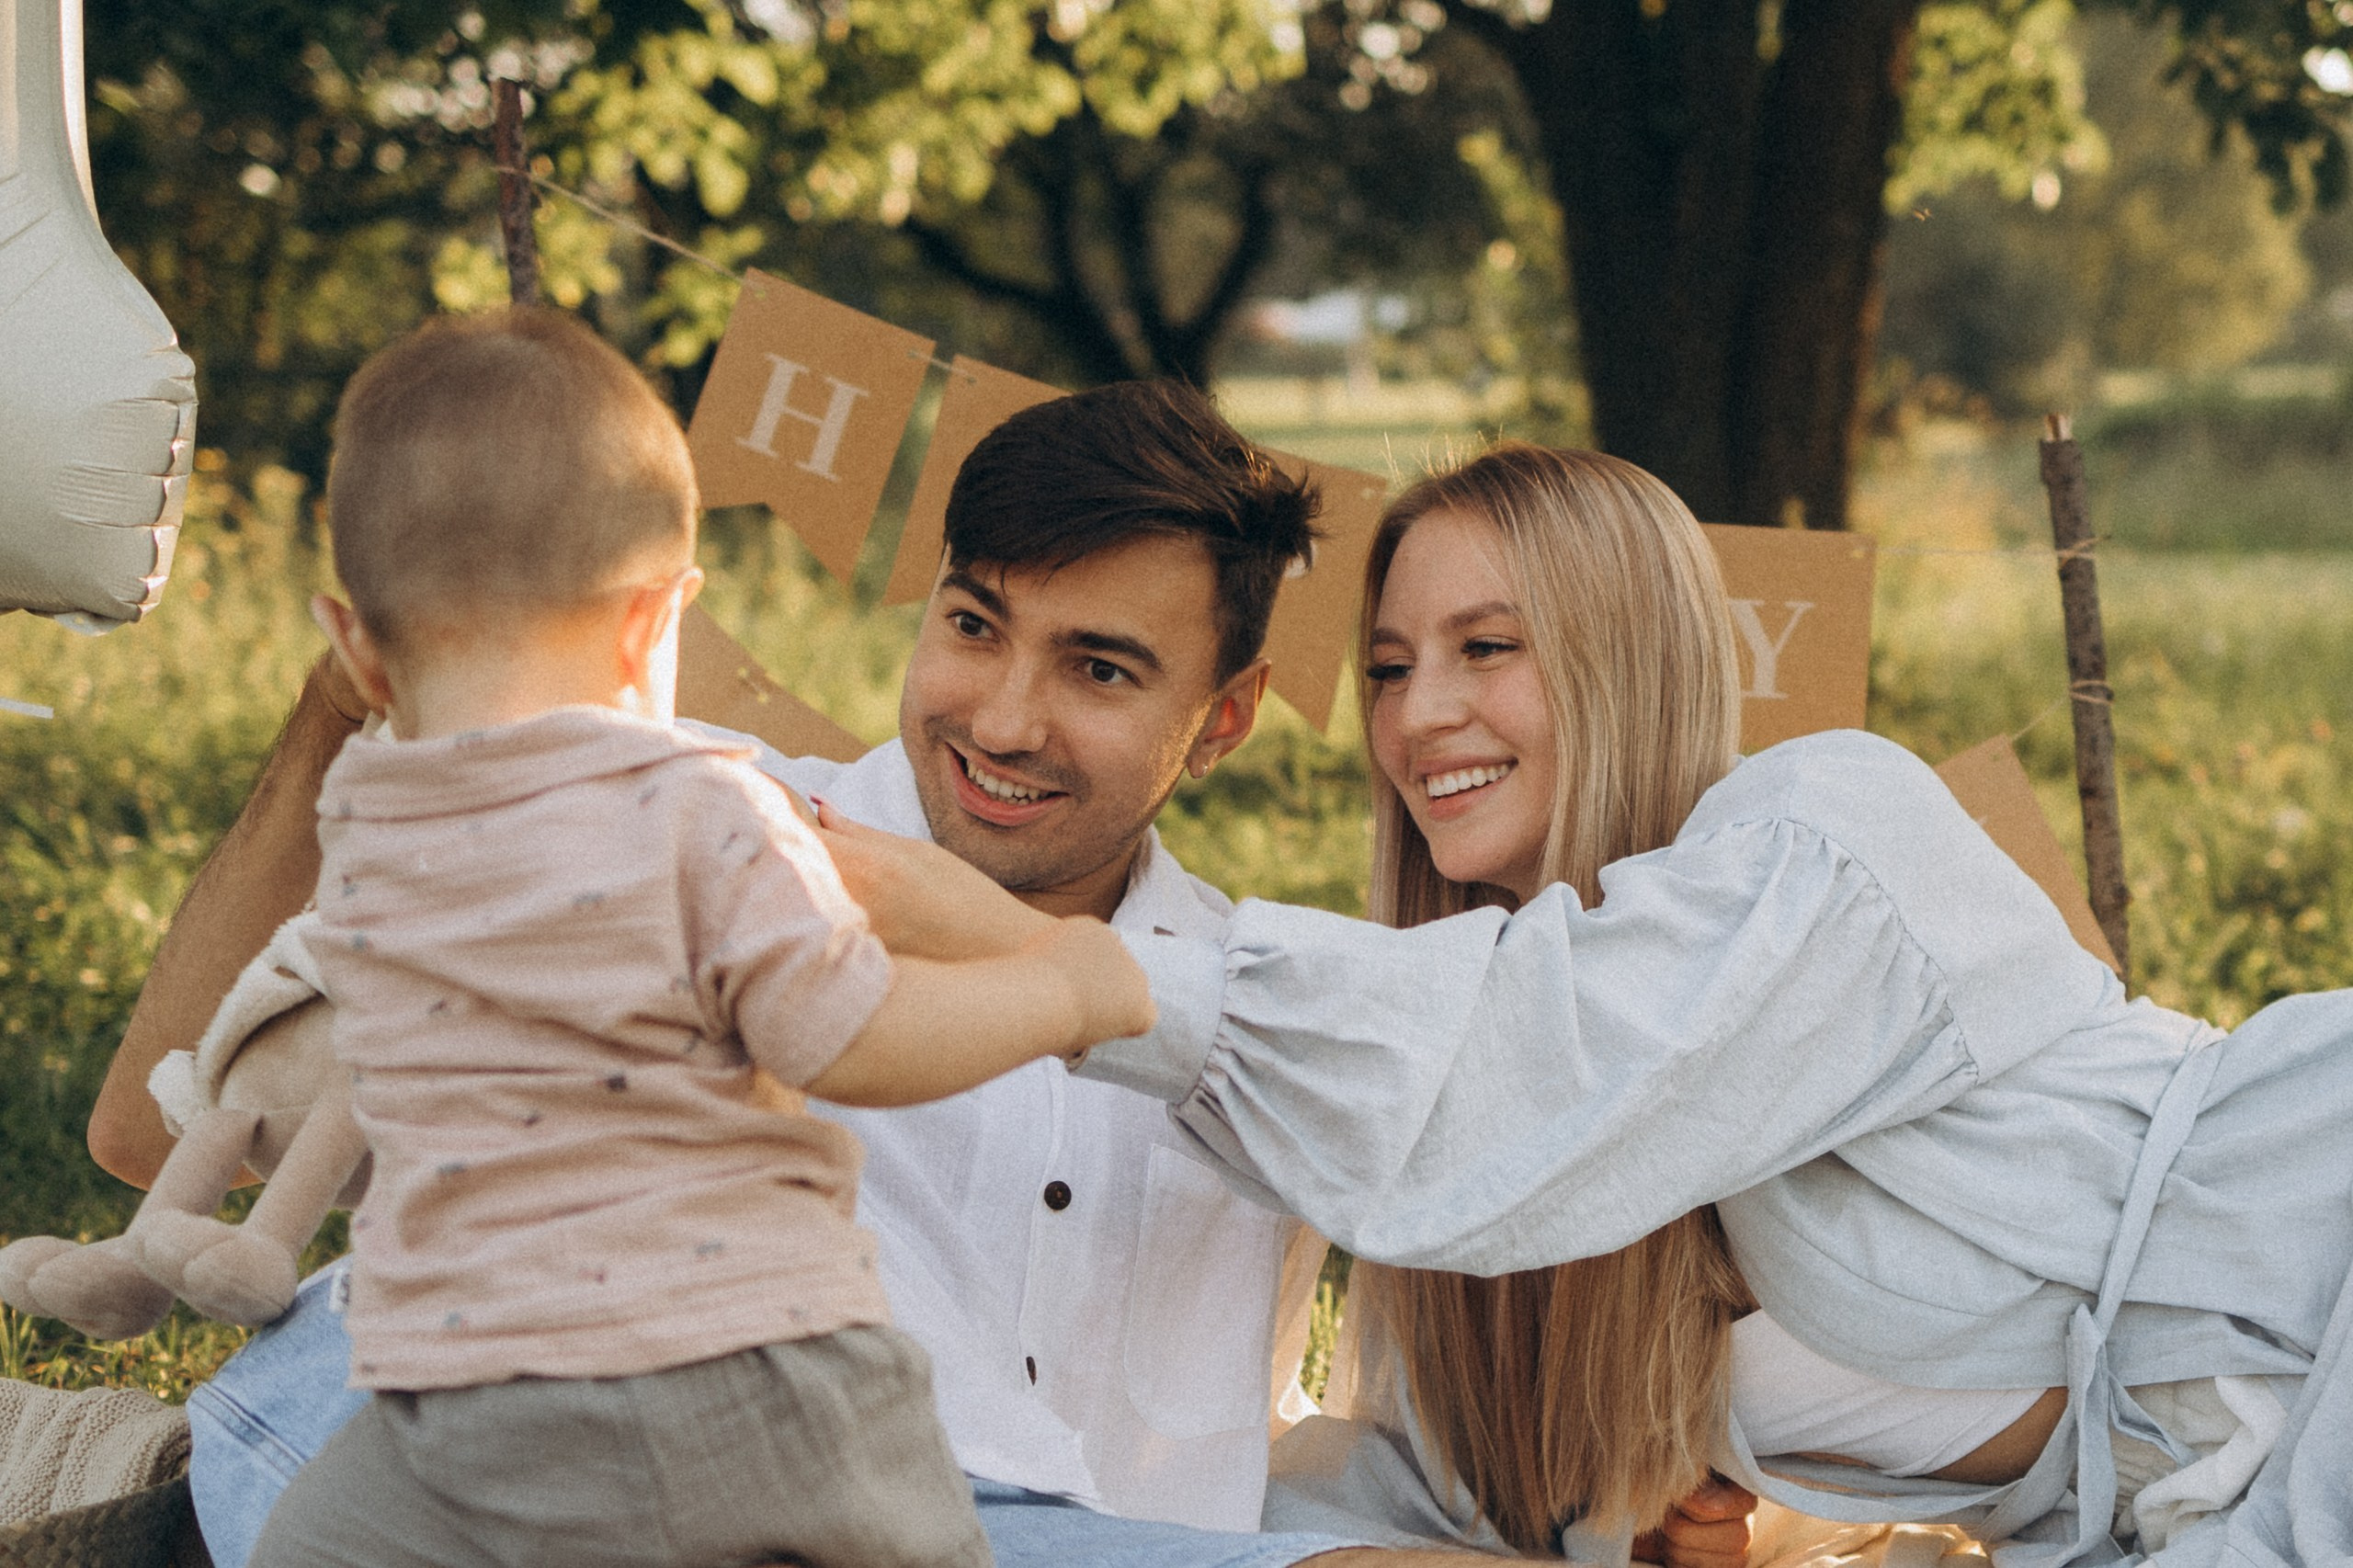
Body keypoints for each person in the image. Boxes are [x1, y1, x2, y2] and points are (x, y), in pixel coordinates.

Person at [88, 376, 1751, 1566]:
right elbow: (161, 1146)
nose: (1004, 718)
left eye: (1098, 667)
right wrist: (355, 697)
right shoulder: (693, 809)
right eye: (974, 624)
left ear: (1224, 717)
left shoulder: (1252, 1005)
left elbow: (1424, 1423)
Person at [822, 444, 2353, 1567]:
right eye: (1389, 666)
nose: (1424, 716)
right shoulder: (1482, 1214)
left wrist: (1091, 980)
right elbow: (1374, 1504)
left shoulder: (1828, 840)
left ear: (1625, 652)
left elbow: (1536, 1058)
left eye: (1491, 650)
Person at [237, 307, 1167, 1566]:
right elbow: (854, 1033)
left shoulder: (365, 818)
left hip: (470, 1399)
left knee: (313, 1549)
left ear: (352, 643)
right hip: (762, 1378)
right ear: (654, 622)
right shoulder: (702, 803)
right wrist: (1063, 988)